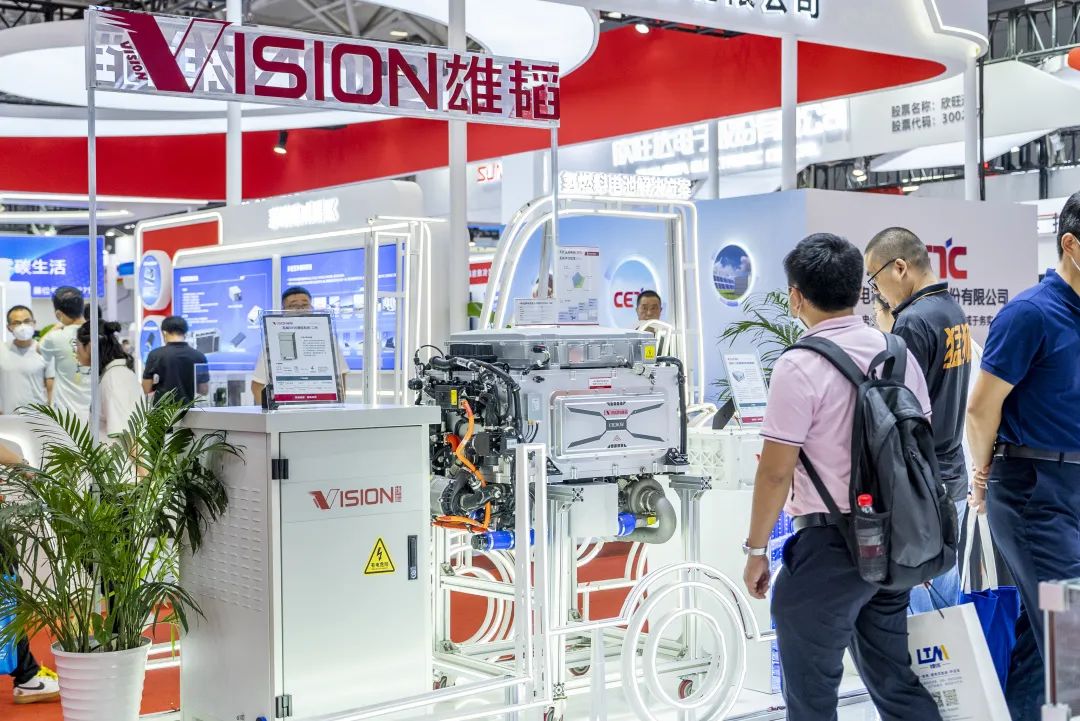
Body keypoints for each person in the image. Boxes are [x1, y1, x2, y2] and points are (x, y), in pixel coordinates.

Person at [742, 233, 939, 721]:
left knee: (811, 698)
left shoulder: (799, 365)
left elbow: (775, 473)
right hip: (895, 541)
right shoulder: (897, 352)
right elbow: (923, 442)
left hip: (831, 547)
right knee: (894, 682)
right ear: (858, 289)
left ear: (796, 297)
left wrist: (756, 549)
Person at [966, 190, 1080, 721]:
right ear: (1071, 245)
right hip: (1035, 493)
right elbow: (980, 409)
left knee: (1044, 639)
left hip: (1072, 490)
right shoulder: (1030, 314)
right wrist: (981, 475)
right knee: (1070, 629)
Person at [864, 227, 971, 614]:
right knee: (947, 606)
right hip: (951, 475)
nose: (877, 292)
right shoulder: (952, 310)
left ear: (900, 267)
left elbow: (899, 413)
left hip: (921, 486)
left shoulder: (912, 323)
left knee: (921, 616)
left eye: (874, 278)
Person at [251, 287, 347, 404]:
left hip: (322, 408)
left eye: (305, 305)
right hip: (286, 410)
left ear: (312, 308)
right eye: (293, 305)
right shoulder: (273, 342)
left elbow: (341, 377)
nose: (300, 309)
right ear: (283, 311)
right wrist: (268, 413)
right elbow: (257, 386)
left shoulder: (327, 338)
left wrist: (338, 408)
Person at [75, 320, 142, 441]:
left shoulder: (115, 378)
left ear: (89, 346)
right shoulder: (113, 374)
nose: (76, 351)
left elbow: (130, 439)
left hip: (118, 453)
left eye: (77, 345)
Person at [39, 286, 90, 421]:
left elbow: (39, 348)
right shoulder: (97, 334)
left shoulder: (55, 337)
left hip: (65, 417)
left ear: (58, 314)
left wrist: (57, 325)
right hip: (94, 414)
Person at [142, 316, 209, 405]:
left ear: (164, 332)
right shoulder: (199, 356)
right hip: (188, 410)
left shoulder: (155, 355)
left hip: (162, 410)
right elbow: (203, 390)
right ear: (185, 333)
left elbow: (146, 389)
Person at [0, 306, 53, 414]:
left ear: (34, 323)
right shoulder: (2, 350)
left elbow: (51, 388)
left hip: (37, 417)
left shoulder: (44, 351)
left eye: (27, 321)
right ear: (9, 327)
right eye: (17, 323)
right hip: (7, 416)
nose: (23, 326)